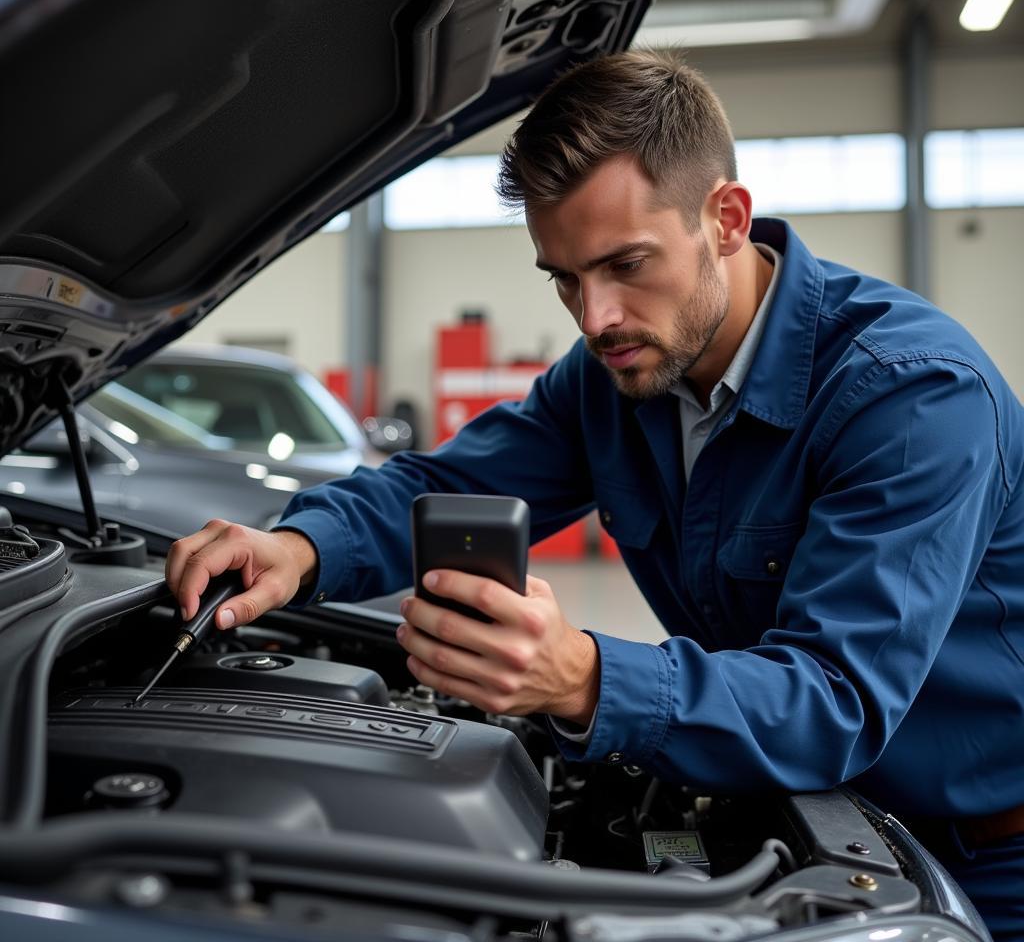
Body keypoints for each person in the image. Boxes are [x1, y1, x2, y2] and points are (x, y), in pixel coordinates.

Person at [166, 50, 1024, 937]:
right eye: (565, 277)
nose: (595, 316)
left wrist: (583, 677)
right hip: (813, 823)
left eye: (625, 264)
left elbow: (831, 700)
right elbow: (445, 483)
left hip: (983, 861)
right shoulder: (618, 375)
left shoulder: (912, 397)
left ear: (725, 219)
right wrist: (296, 550)